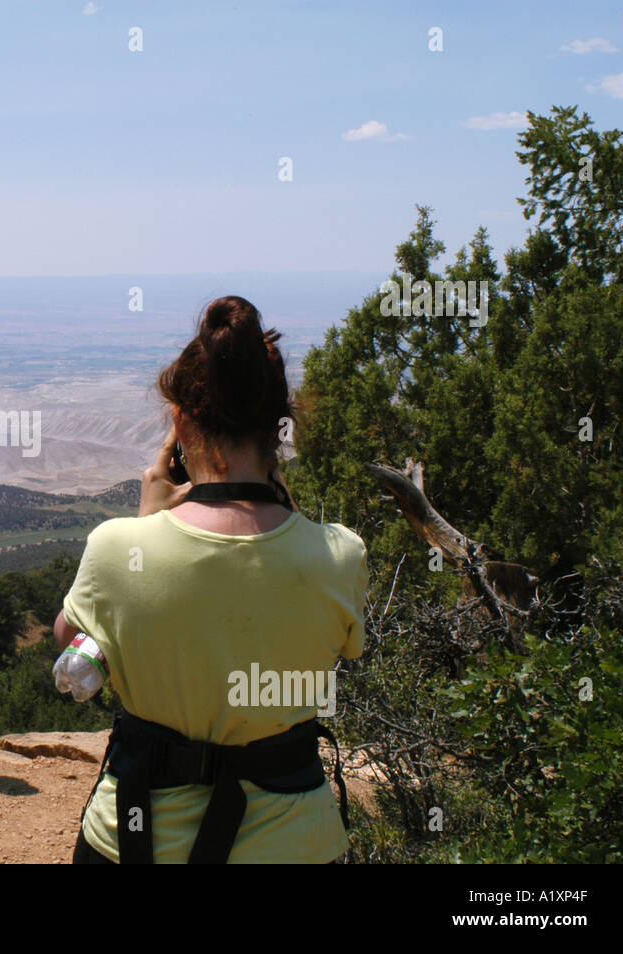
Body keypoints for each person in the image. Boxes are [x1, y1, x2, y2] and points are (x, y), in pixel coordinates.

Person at [54, 295, 368, 863]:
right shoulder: (341, 556)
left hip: (135, 839)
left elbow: (69, 641)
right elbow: (335, 646)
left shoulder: (118, 547)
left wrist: (146, 526)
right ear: (279, 429)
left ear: (179, 422)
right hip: (294, 843)